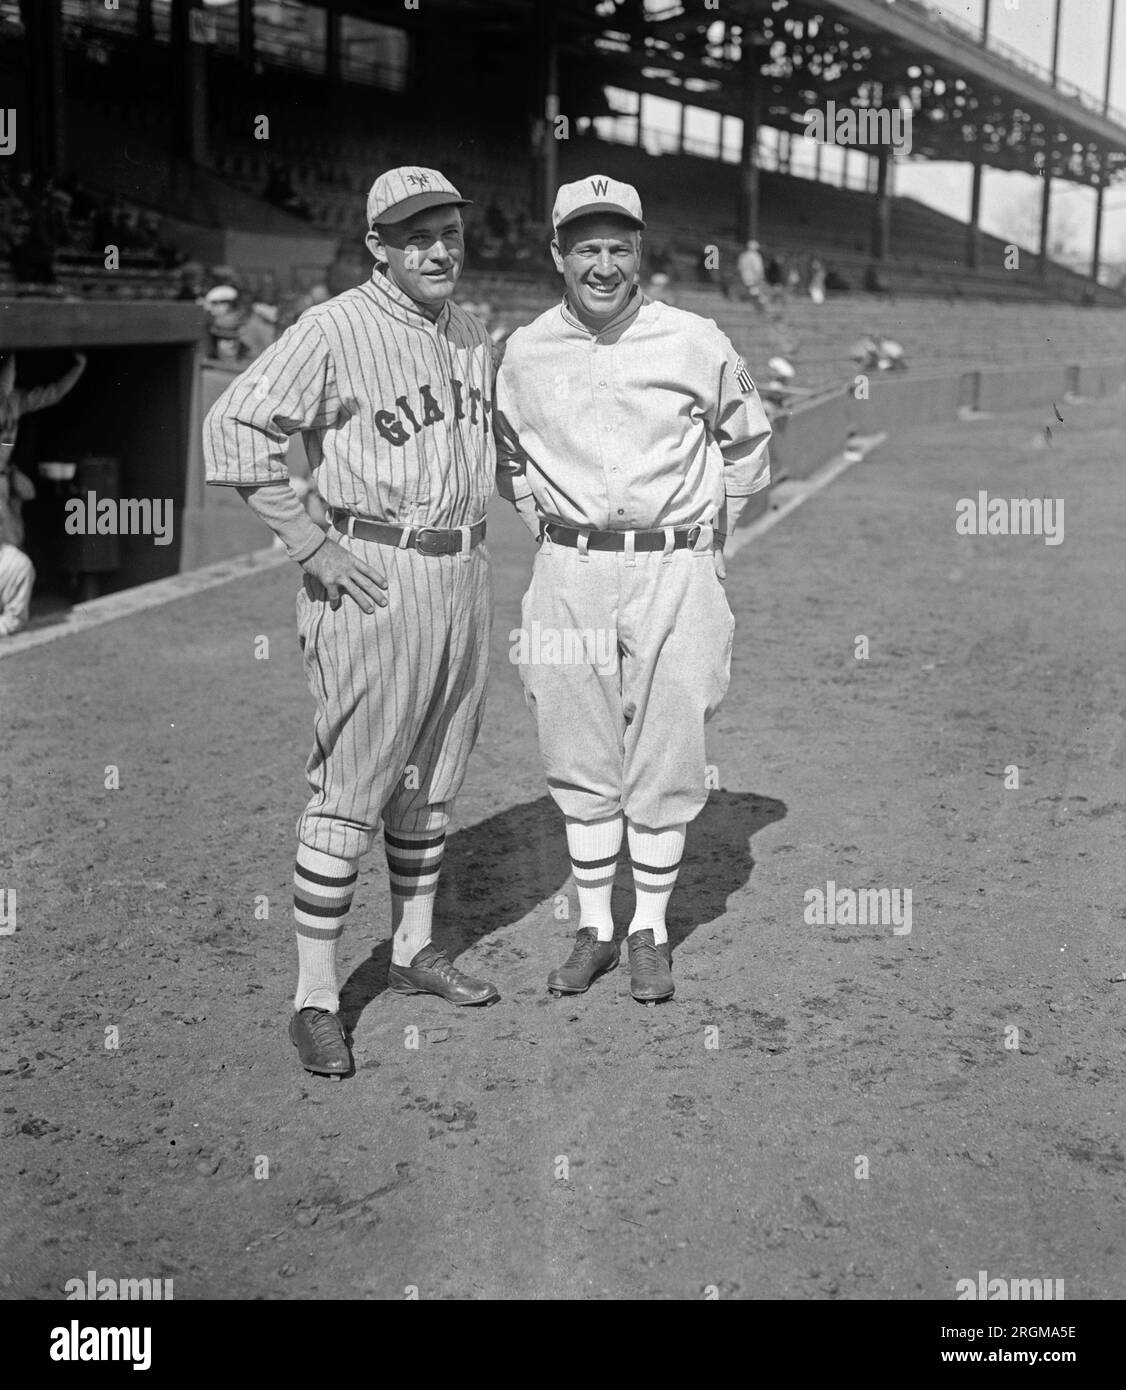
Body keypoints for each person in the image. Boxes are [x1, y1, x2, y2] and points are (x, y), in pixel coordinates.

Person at [203, 167, 499, 1080]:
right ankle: (316, 997)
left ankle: (413, 949)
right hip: (375, 574)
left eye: (448, 231)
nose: (438, 248)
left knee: (433, 780)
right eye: (416, 235)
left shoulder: (473, 326)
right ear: (377, 246)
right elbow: (236, 425)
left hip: (465, 573)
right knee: (351, 787)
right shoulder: (332, 328)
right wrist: (308, 543)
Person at [494, 176, 772, 1006]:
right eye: (587, 248)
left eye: (619, 247)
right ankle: (594, 927)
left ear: (640, 253)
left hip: (673, 565)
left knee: (670, 740)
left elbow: (749, 444)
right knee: (574, 742)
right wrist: (547, 525)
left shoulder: (694, 338)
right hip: (570, 568)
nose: (604, 264)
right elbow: (508, 455)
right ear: (558, 255)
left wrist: (712, 540)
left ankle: (648, 926)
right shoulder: (524, 350)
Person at [0, 349, 86, 636]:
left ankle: (10, 614)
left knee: (14, 546)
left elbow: (52, 394)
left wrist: (78, 368)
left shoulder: (14, 400)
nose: (8, 376)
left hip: (5, 476)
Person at [736, 238, 766, 308]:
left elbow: (739, 267)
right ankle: (760, 306)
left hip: (744, 276)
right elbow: (757, 268)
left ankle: (753, 305)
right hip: (754, 277)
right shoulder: (755, 256)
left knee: (751, 291)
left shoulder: (743, 255)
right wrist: (760, 277)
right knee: (757, 292)